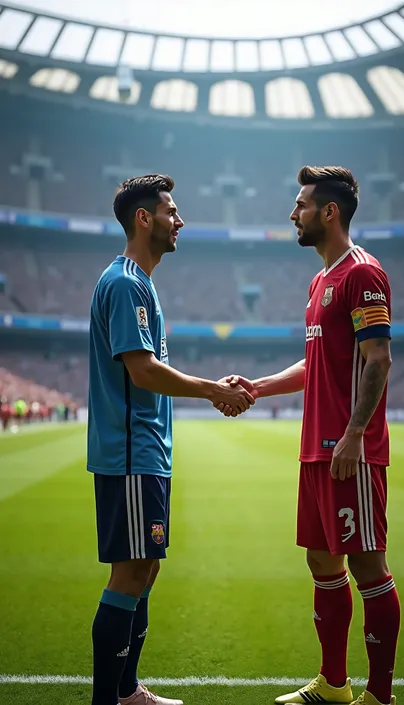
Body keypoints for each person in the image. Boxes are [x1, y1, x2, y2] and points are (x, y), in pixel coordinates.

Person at [222, 166, 399, 705]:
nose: (291, 214)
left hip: (351, 453)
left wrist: (353, 435)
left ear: (329, 212)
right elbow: (316, 362)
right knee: (322, 564)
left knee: (368, 565)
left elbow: (378, 358)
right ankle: (334, 685)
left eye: (299, 205)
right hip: (315, 452)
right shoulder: (320, 281)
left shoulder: (363, 275)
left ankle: (381, 695)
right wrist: (259, 387)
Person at [87, 174, 254, 705]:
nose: (179, 220)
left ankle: (128, 690)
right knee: (130, 573)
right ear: (144, 218)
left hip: (147, 452)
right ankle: (106, 700)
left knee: (146, 567)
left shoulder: (142, 283)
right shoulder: (124, 284)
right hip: (131, 452)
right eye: (171, 211)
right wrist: (211, 390)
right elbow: (143, 371)